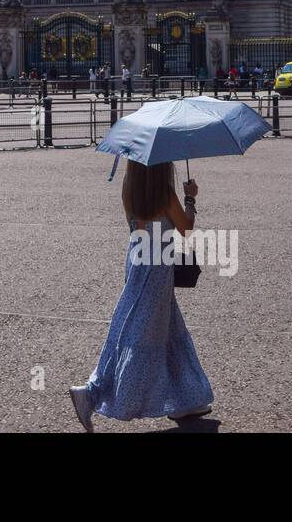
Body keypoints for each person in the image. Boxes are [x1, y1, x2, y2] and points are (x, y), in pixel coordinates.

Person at [69, 160, 213, 431]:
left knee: (163, 330)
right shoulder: (164, 193)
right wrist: (190, 199)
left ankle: (187, 399)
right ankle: (91, 393)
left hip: (137, 263)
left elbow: (136, 231)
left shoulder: (130, 190)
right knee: (140, 336)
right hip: (158, 269)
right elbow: (186, 229)